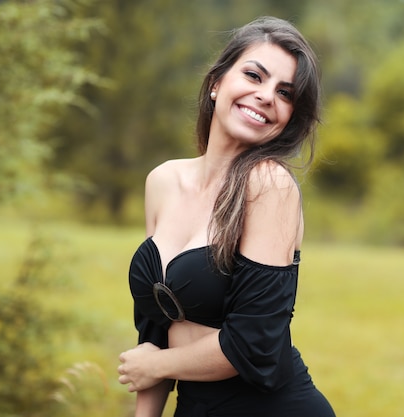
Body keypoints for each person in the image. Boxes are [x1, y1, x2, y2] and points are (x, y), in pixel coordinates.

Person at [117, 16, 336, 417]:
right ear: (217, 83)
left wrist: (156, 366)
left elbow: (253, 344)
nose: (266, 95)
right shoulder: (163, 180)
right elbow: (155, 328)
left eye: (285, 93)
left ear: (290, 116)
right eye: (254, 75)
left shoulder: (269, 185)